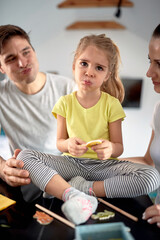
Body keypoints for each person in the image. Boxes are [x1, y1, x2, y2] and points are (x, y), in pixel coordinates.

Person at [17, 34, 160, 209]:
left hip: (104, 167)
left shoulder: (112, 104)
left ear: (107, 75)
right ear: (74, 66)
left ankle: (82, 188)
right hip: (71, 164)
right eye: (84, 63)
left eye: (99, 68)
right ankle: (70, 193)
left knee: (152, 177)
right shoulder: (65, 103)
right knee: (24, 156)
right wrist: (68, 144)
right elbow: (60, 143)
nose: (89, 72)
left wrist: (110, 149)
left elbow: (118, 148)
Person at [0, 24, 76, 201]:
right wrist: (3, 168)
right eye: (11, 59)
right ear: (1, 67)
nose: (22, 62)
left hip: (71, 177)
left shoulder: (68, 88)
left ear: (34, 51)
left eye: (26, 52)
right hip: (29, 184)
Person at [122, 24, 160, 228]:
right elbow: (149, 162)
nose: (149, 72)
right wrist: (102, 164)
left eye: (159, 64)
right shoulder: (159, 109)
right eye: (150, 61)